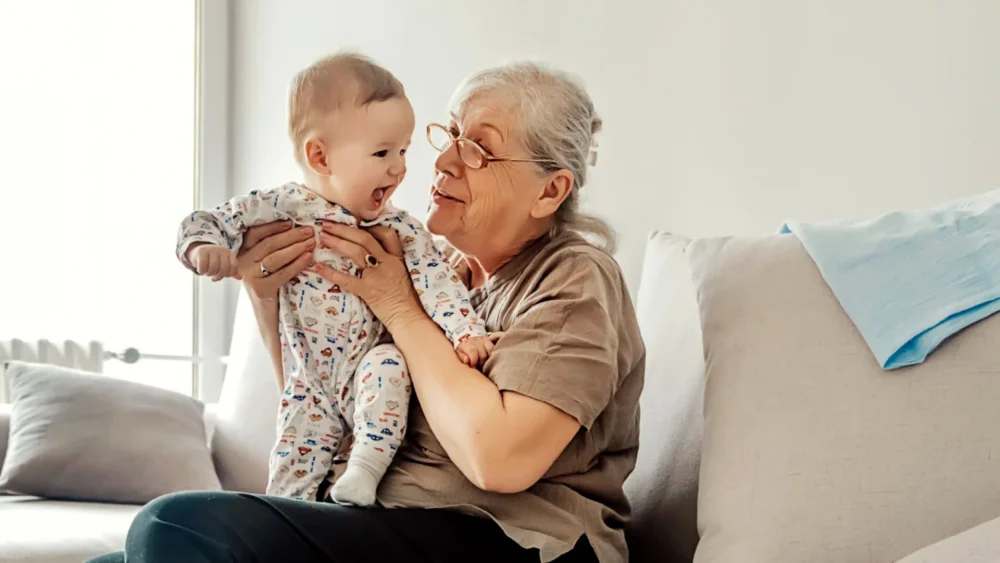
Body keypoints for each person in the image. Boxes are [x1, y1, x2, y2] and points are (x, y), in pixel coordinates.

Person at [89, 61, 644, 563]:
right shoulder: (440, 272)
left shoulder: (574, 276)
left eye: (479, 148)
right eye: (449, 134)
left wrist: (397, 305)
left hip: (510, 541)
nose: (444, 160)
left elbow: (497, 460)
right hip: (381, 519)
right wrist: (264, 294)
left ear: (550, 192)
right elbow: (332, 402)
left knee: (178, 524)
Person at [175, 52, 494, 507]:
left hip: (368, 367)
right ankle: (283, 522)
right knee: (288, 481)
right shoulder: (281, 206)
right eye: (383, 153)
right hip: (309, 380)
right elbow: (208, 219)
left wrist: (466, 330)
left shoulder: (396, 228)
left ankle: (364, 469)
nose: (399, 167)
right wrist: (203, 249)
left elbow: (437, 281)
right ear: (320, 156)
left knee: (390, 366)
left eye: (403, 151)